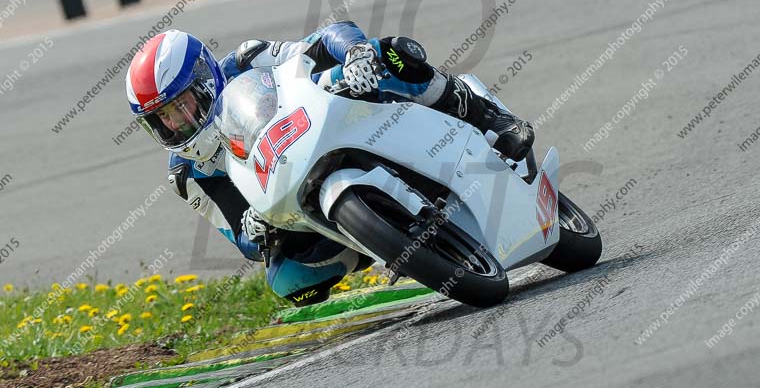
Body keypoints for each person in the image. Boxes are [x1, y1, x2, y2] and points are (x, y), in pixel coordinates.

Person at [124, 22, 533, 305]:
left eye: (182, 106)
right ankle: (382, 239)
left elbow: (320, 42)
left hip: (328, 118)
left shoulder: (247, 60)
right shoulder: (186, 172)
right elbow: (241, 239)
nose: (177, 123)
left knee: (387, 53)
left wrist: (354, 55)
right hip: (293, 201)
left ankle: (485, 116)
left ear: (205, 78)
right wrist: (254, 230)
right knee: (288, 281)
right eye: (163, 119)